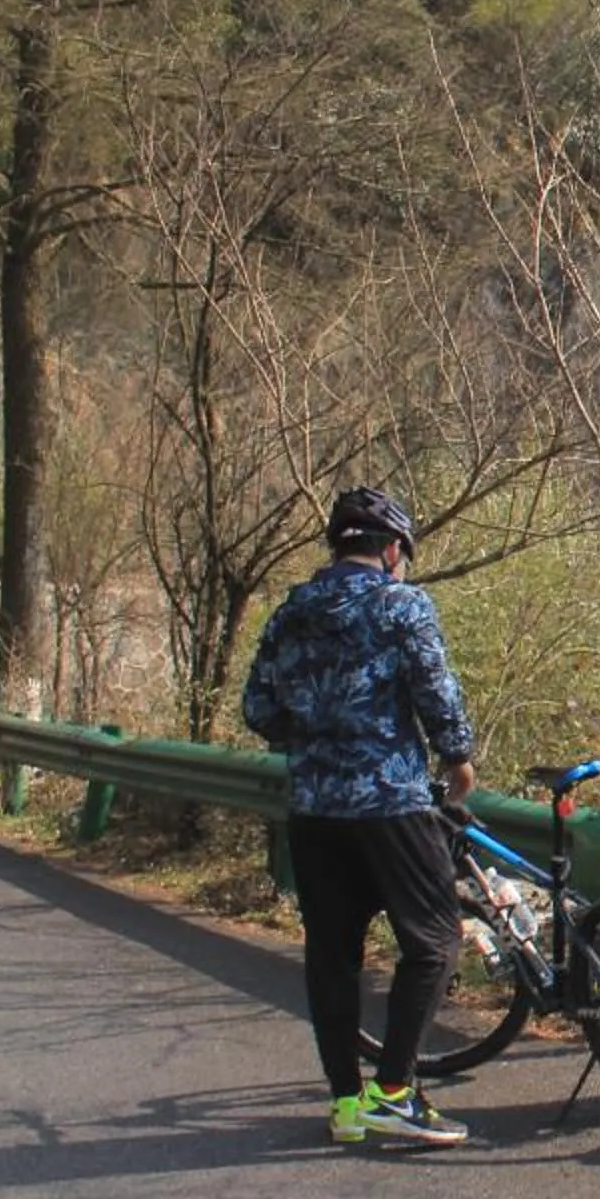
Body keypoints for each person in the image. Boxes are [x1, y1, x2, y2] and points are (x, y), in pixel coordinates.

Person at [242, 486, 479, 1147]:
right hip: (390, 803)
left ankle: (347, 1103)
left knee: (333, 954)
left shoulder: (293, 611)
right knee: (433, 940)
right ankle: (396, 1092)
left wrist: (316, 740)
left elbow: (259, 709)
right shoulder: (400, 605)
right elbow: (435, 690)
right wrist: (458, 760)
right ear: (394, 549)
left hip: (315, 809)